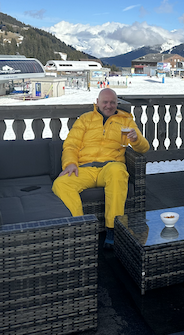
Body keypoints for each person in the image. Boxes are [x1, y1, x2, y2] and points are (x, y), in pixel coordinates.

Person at [52, 88, 149, 248]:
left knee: (118, 172)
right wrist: (70, 163)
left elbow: (144, 148)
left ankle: (113, 230)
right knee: (61, 184)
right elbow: (71, 145)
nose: (108, 105)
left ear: (116, 103)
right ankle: (81, 228)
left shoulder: (126, 121)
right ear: (97, 102)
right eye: (105, 102)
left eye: (112, 102)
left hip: (110, 167)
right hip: (85, 169)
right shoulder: (85, 119)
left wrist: (136, 139)